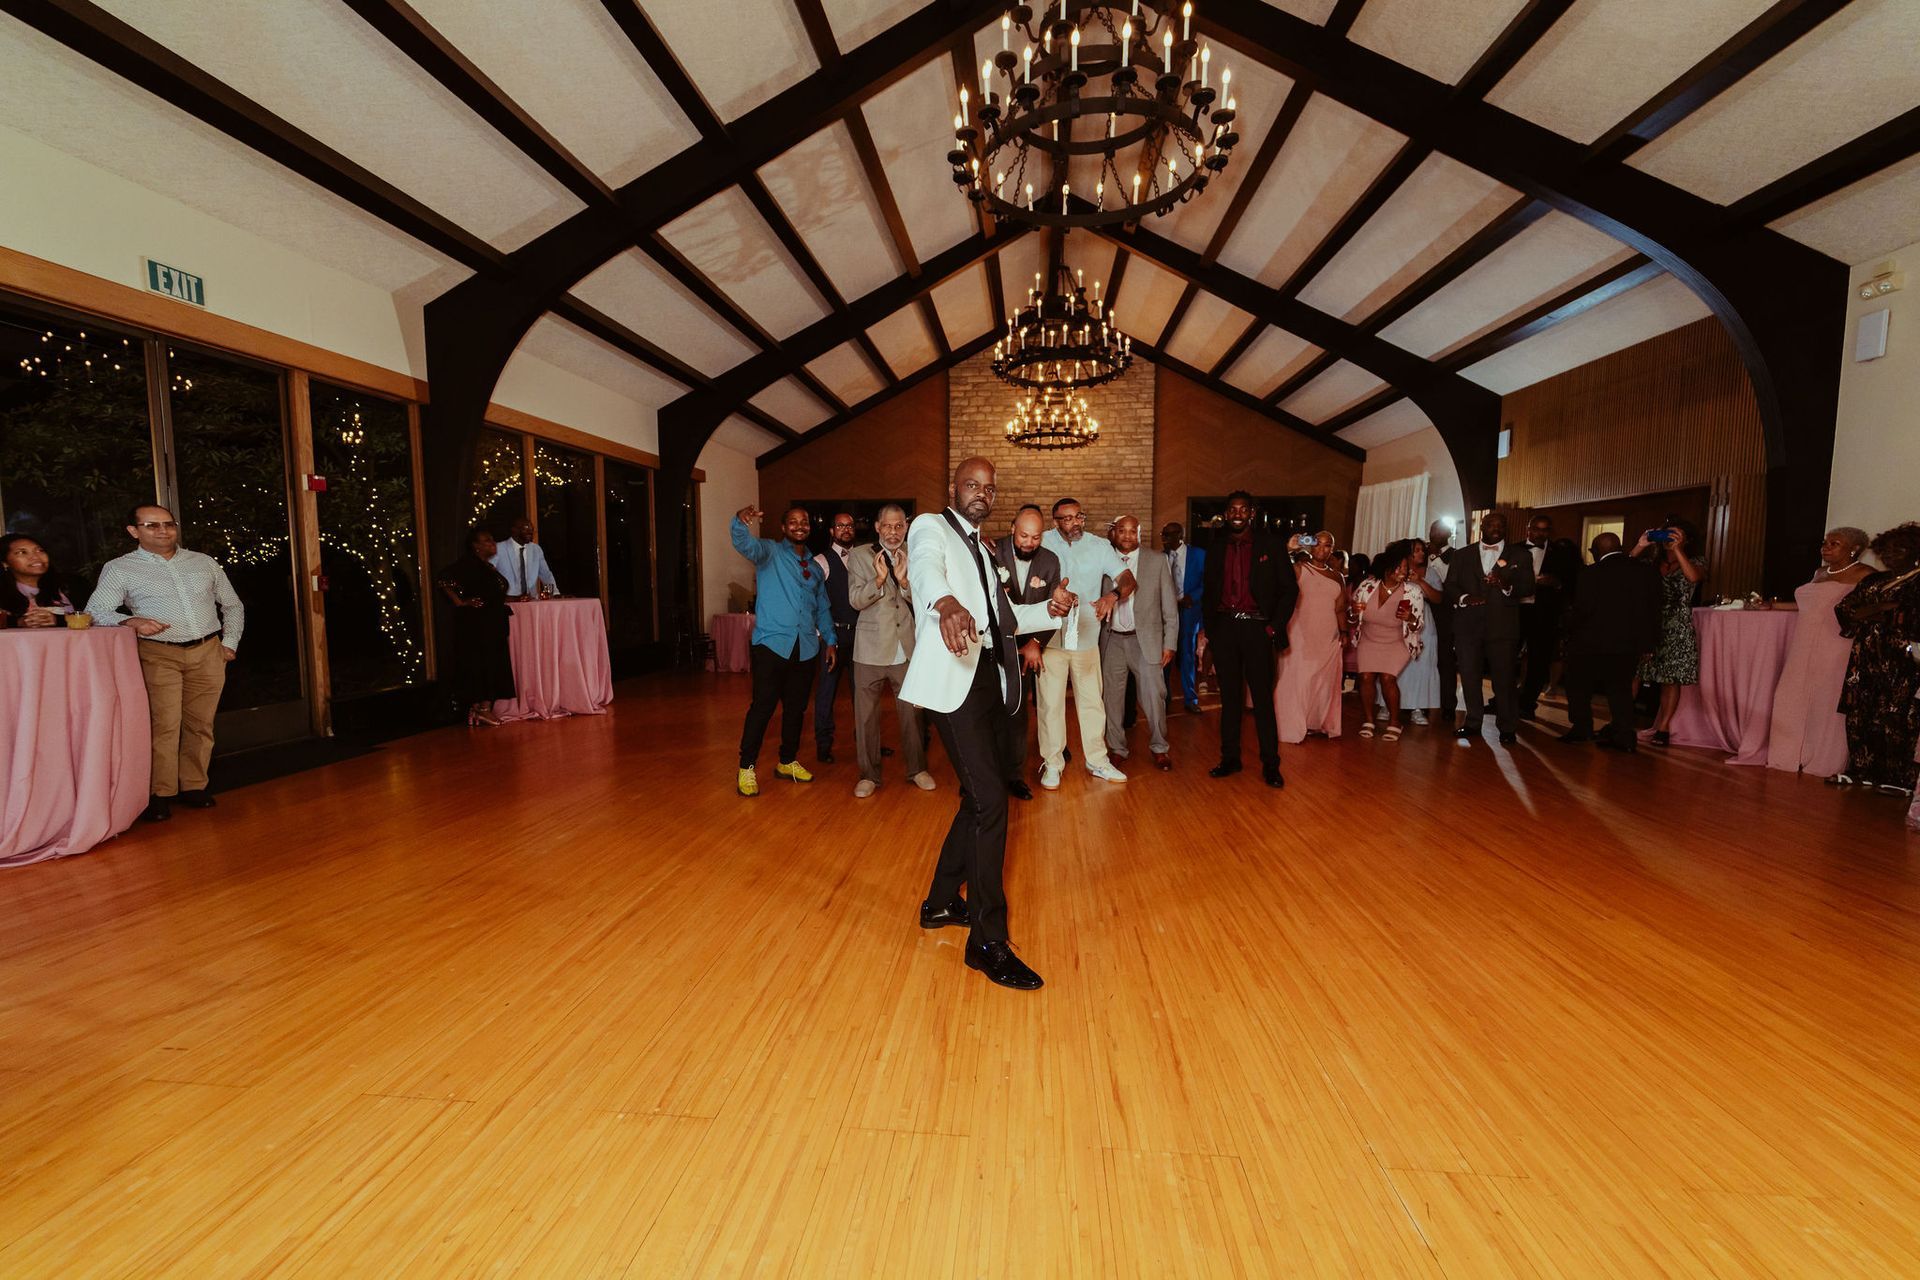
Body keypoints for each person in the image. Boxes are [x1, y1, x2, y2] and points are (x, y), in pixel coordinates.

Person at [899, 458, 1075, 990]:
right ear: (954, 487)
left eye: (989, 488)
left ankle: (936, 905)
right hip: (951, 686)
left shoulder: (986, 549)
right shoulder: (932, 526)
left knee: (979, 797)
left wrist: (1056, 607)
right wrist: (946, 600)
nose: (982, 493)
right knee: (992, 804)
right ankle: (986, 942)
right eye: (972, 485)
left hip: (986, 684)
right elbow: (927, 568)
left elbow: (1007, 621)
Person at [84, 504, 245, 823]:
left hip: (207, 651)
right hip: (158, 654)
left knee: (201, 723)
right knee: (165, 724)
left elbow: (232, 605)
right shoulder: (120, 568)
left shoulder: (203, 562)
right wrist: (133, 621)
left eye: (168, 524)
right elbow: (95, 610)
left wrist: (229, 644)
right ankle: (161, 793)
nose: (163, 531)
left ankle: (195, 786)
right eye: (152, 525)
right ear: (134, 531)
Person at [730, 505, 837, 797]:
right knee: (762, 708)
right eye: (793, 522)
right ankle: (746, 766)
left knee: (796, 709)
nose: (799, 526)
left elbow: (823, 608)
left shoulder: (815, 568)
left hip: (805, 648)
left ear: (809, 528)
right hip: (772, 645)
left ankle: (787, 761)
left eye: (804, 522)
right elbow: (743, 543)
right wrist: (741, 522)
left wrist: (830, 641)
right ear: (783, 527)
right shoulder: (769, 553)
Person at [1037, 497, 1134, 789]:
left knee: (1092, 703)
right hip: (1051, 638)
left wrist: (1111, 597)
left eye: (1079, 517)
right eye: (1067, 518)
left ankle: (1097, 761)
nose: (1075, 523)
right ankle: (1053, 764)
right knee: (1050, 705)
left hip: (1087, 638)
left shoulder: (1099, 546)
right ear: (1055, 521)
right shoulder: (1042, 543)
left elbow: (1128, 580)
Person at [1200, 491, 1296, 787]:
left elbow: (1289, 590)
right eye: (1232, 509)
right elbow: (1209, 591)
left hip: (1258, 629)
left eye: (1243, 509)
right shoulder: (1215, 548)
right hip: (1225, 629)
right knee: (1229, 700)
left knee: (1263, 701)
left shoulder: (1271, 545)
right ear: (1226, 514)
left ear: (1251, 513)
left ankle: (1271, 765)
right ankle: (1230, 759)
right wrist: (1212, 631)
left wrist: (1273, 627)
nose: (1238, 513)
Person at [1766, 526, 1874, 779]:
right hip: (1804, 642)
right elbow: (1807, 606)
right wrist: (1772, 605)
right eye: (1825, 542)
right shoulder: (1820, 572)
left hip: (1836, 643)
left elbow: (1869, 610)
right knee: (1791, 694)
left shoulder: (1865, 574)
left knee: (1826, 699)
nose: (1825, 547)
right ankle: (1788, 754)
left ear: (1854, 549)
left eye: (1834, 543)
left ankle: (1824, 761)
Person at [845, 505, 933, 798]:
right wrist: (880, 580)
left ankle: (917, 769)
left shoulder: (917, 552)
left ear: (905, 527)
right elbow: (856, 600)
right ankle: (868, 775)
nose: (893, 532)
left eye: (899, 527)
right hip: (869, 649)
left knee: (912, 715)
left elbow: (925, 599)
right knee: (866, 716)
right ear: (877, 527)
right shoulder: (859, 555)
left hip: (906, 646)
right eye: (888, 527)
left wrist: (905, 582)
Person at [1835, 522, 1920, 795]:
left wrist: (1873, 611)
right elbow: (1847, 610)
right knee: (1860, 713)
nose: (1892, 555)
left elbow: (1907, 618)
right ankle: (1861, 770)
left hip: (1903, 662)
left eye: (1900, 549)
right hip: (1866, 657)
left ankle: (1899, 778)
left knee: (1897, 716)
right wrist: (1881, 609)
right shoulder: (1874, 580)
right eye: (1888, 550)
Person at [1559, 532, 1661, 751]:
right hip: (1627, 643)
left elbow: (1583, 610)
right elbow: (1651, 611)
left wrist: (1565, 627)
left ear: (1596, 551)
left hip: (1590, 641)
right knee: (1620, 690)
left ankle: (1582, 728)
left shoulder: (1590, 573)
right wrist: (1647, 644)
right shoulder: (1645, 572)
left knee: (1578, 685)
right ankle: (1624, 737)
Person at [1441, 510, 1534, 744]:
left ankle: (1507, 727)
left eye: (1501, 525)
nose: (1496, 528)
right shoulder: (1462, 555)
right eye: (1491, 524)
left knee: (1504, 679)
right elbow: (1450, 585)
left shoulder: (1520, 555)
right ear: (1481, 526)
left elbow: (1528, 588)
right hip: (1468, 626)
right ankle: (1473, 722)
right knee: (1470, 676)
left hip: (1503, 627)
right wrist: (1464, 598)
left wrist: (1505, 585)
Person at [993, 505, 1062, 799]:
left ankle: (1014, 775)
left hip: (1027, 649)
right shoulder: (991, 552)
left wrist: (1035, 642)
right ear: (1012, 529)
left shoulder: (1050, 561)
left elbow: (1054, 605)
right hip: (992, 645)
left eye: (1035, 538)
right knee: (988, 712)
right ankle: (985, 776)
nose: (1029, 543)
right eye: (1023, 536)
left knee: (1018, 715)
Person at [1100, 516, 1180, 770]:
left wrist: (1170, 643)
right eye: (1121, 531)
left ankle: (1159, 747)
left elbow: (1169, 605)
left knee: (1155, 696)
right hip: (1111, 640)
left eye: (1132, 531)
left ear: (1139, 533)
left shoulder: (1156, 560)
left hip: (1145, 640)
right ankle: (1117, 749)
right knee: (1112, 698)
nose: (1126, 536)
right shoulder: (1103, 559)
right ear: (1113, 533)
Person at [1633, 518, 1707, 747]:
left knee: (1670, 678)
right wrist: (1640, 545)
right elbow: (1621, 569)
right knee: (1634, 672)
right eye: (1666, 535)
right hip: (1649, 621)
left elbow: (1693, 577)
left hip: (1677, 624)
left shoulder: (1696, 561)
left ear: (1687, 539)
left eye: (1674, 535)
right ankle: (1622, 721)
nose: (1668, 539)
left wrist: (1678, 550)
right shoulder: (1650, 561)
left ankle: (1663, 727)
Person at [434, 526, 517, 729]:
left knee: (492, 663)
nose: (492, 543)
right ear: (476, 546)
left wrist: (514, 599)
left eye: (492, 539)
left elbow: (491, 593)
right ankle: (481, 708)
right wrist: (461, 602)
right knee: (482, 665)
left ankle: (480, 709)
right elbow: (443, 579)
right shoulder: (467, 565)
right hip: (478, 625)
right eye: (487, 540)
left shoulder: (485, 567)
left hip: (492, 623)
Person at [1274, 529, 1345, 743]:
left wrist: (1344, 632)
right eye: (1318, 544)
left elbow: (1340, 608)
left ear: (1332, 549)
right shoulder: (1298, 569)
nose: (1322, 549)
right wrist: (1288, 549)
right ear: (1311, 546)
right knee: (1296, 678)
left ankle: (1315, 722)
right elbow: (1274, 573)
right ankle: (1289, 725)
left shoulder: (1337, 576)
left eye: (1327, 545)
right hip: (1300, 632)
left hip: (1328, 634)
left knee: (1323, 680)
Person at [1351, 539, 1421, 743]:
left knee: (1388, 679)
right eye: (1398, 567)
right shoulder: (1367, 587)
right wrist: (1353, 614)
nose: (1402, 571)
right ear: (1386, 567)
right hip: (1369, 639)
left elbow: (1417, 626)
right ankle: (1369, 720)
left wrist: (1409, 617)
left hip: (1397, 641)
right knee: (1365, 677)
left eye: (1405, 568)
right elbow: (1352, 617)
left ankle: (1394, 721)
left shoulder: (1412, 592)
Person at [1516, 514, 1581, 719]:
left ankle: (1527, 704)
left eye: (1545, 530)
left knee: (1538, 660)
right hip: (1515, 611)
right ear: (1528, 529)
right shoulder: (1513, 549)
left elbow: (1572, 583)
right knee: (1507, 657)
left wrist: (1557, 583)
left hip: (1543, 614)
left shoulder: (1560, 553)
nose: (1541, 533)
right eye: (1537, 529)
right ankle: (1501, 700)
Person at [812, 511, 860, 763]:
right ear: (831, 531)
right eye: (840, 525)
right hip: (833, 637)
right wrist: (823, 636)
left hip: (861, 638)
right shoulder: (821, 561)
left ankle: (866, 742)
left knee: (863, 693)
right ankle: (823, 744)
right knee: (826, 692)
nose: (846, 529)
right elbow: (814, 602)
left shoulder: (863, 557)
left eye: (849, 525)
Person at [1395, 538, 1444, 726]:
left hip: (1423, 619)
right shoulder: (1396, 569)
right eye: (1417, 550)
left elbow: (1438, 598)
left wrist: (1420, 581)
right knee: (1398, 663)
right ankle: (1388, 704)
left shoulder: (1430, 572)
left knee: (1422, 663)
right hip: (1399, 618)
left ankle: (1417, 706)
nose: (1422, 553)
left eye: (1423, 550)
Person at [1163, 520, 1205, 713]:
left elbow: (1209, 582)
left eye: (1170, 534)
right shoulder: (1160, 557)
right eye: (1164, 534)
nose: (1166, 538)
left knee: (1187, 654)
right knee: (1165, 655)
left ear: (1181, 535)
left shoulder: (1199, 555)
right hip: (1165, 613)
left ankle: (1190, 699)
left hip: (1189, 611)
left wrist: (1192, 597)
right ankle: (1164, 698)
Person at [0, 533, 77, 626]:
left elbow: (94, 617)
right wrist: (19, 622)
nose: (35, 557)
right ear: (5, 563)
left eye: (40, 550)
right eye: (22, 552)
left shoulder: (73, 584)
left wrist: (58, 620)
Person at [1426, 519, 1460, 726]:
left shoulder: (1456, 556)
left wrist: (1436, 559)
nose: (1434, 533)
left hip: (1445, 613)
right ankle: (1418, 701)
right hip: (1421, 609)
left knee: (1445, 660)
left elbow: (1451, 582)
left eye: (1439, 530)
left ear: (1448, 532)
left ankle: (1448, 705)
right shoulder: (1422, 553)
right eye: (1432, 530)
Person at [491, 515, 557, 601]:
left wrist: (555, 593)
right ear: (514, 530)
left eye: (531, 529)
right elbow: (488, 573)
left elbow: (546, 574)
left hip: (530, 600)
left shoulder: (535, 549)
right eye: (526, 529)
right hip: (508, 601)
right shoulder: (499, 548)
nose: (530, 532)